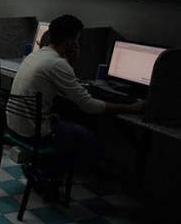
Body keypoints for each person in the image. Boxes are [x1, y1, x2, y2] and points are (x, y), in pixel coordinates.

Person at [8, 14, 146, 202]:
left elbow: (63, 84)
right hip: (36, 130)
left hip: (16, 125)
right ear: (71, 40)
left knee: (69, 124)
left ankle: (43, 167)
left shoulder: (38, 55)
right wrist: (133, 108)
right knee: (94, 142)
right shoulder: (57, 63)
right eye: (78, 39)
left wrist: (69, 63)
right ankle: (46, 173)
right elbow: (89, 106)